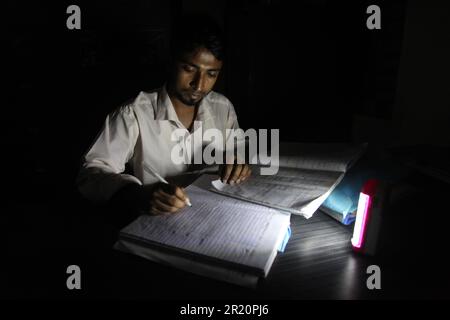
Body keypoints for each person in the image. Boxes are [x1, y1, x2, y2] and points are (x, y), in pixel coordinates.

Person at [77, 14, 251, 216]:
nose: (199, 84)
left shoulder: (223, 108)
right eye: (189, 68)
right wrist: (137, 193)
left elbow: (239, 152)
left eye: (211, 74)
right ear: (171, 62)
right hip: (161, 223)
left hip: (217, 215)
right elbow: (91, 173)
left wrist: (238, 163)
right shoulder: (134, 113)